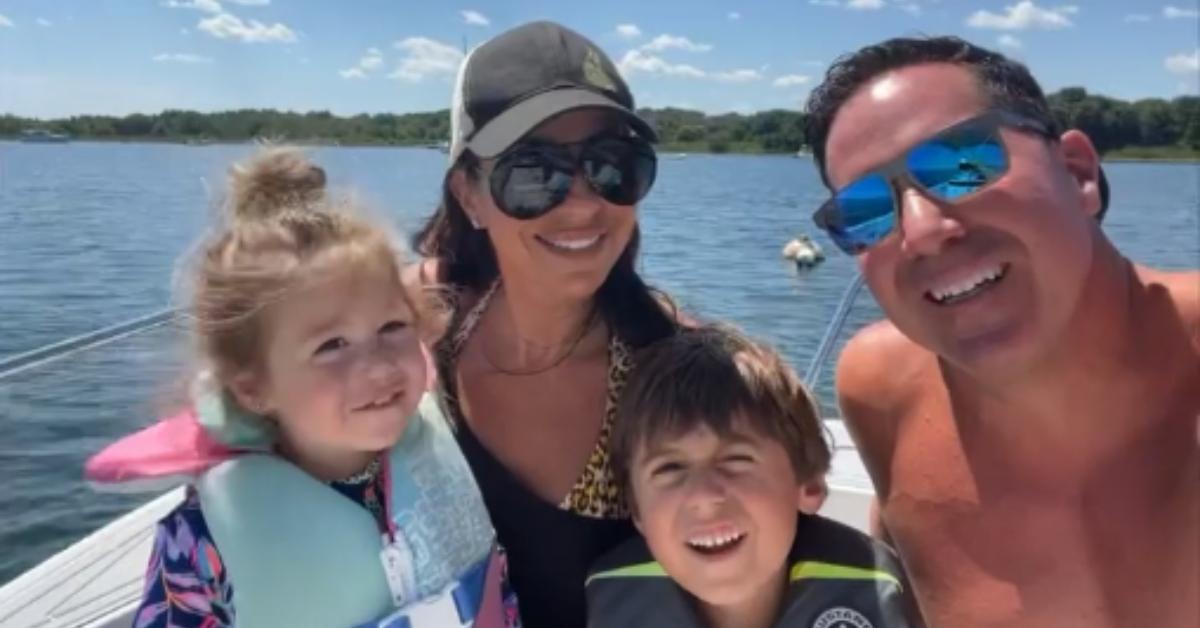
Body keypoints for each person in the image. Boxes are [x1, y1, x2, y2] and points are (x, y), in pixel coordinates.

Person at [804, 36, 1199, 627]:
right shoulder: (881, 391)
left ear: (1078, 173)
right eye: (866, 212)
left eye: (963, 164)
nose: (921, 230)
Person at [85, 148, 517, 628]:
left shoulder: (448, 442)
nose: (377, 367)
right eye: (331, 345)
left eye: (392, 327)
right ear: (252, 387)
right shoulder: (202, 540)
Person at [411, 20, 680, 628]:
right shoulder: (411, 321)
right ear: (469, 194)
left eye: (613, 166)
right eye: (534, 172)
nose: (583, 203)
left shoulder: (670, 369)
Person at [586, 325, 917, 628]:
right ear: (637, 510)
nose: (704, 495)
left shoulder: (876, 590)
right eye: (670, 468)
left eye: (736, 459)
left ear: (810, 484)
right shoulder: (612, 595)